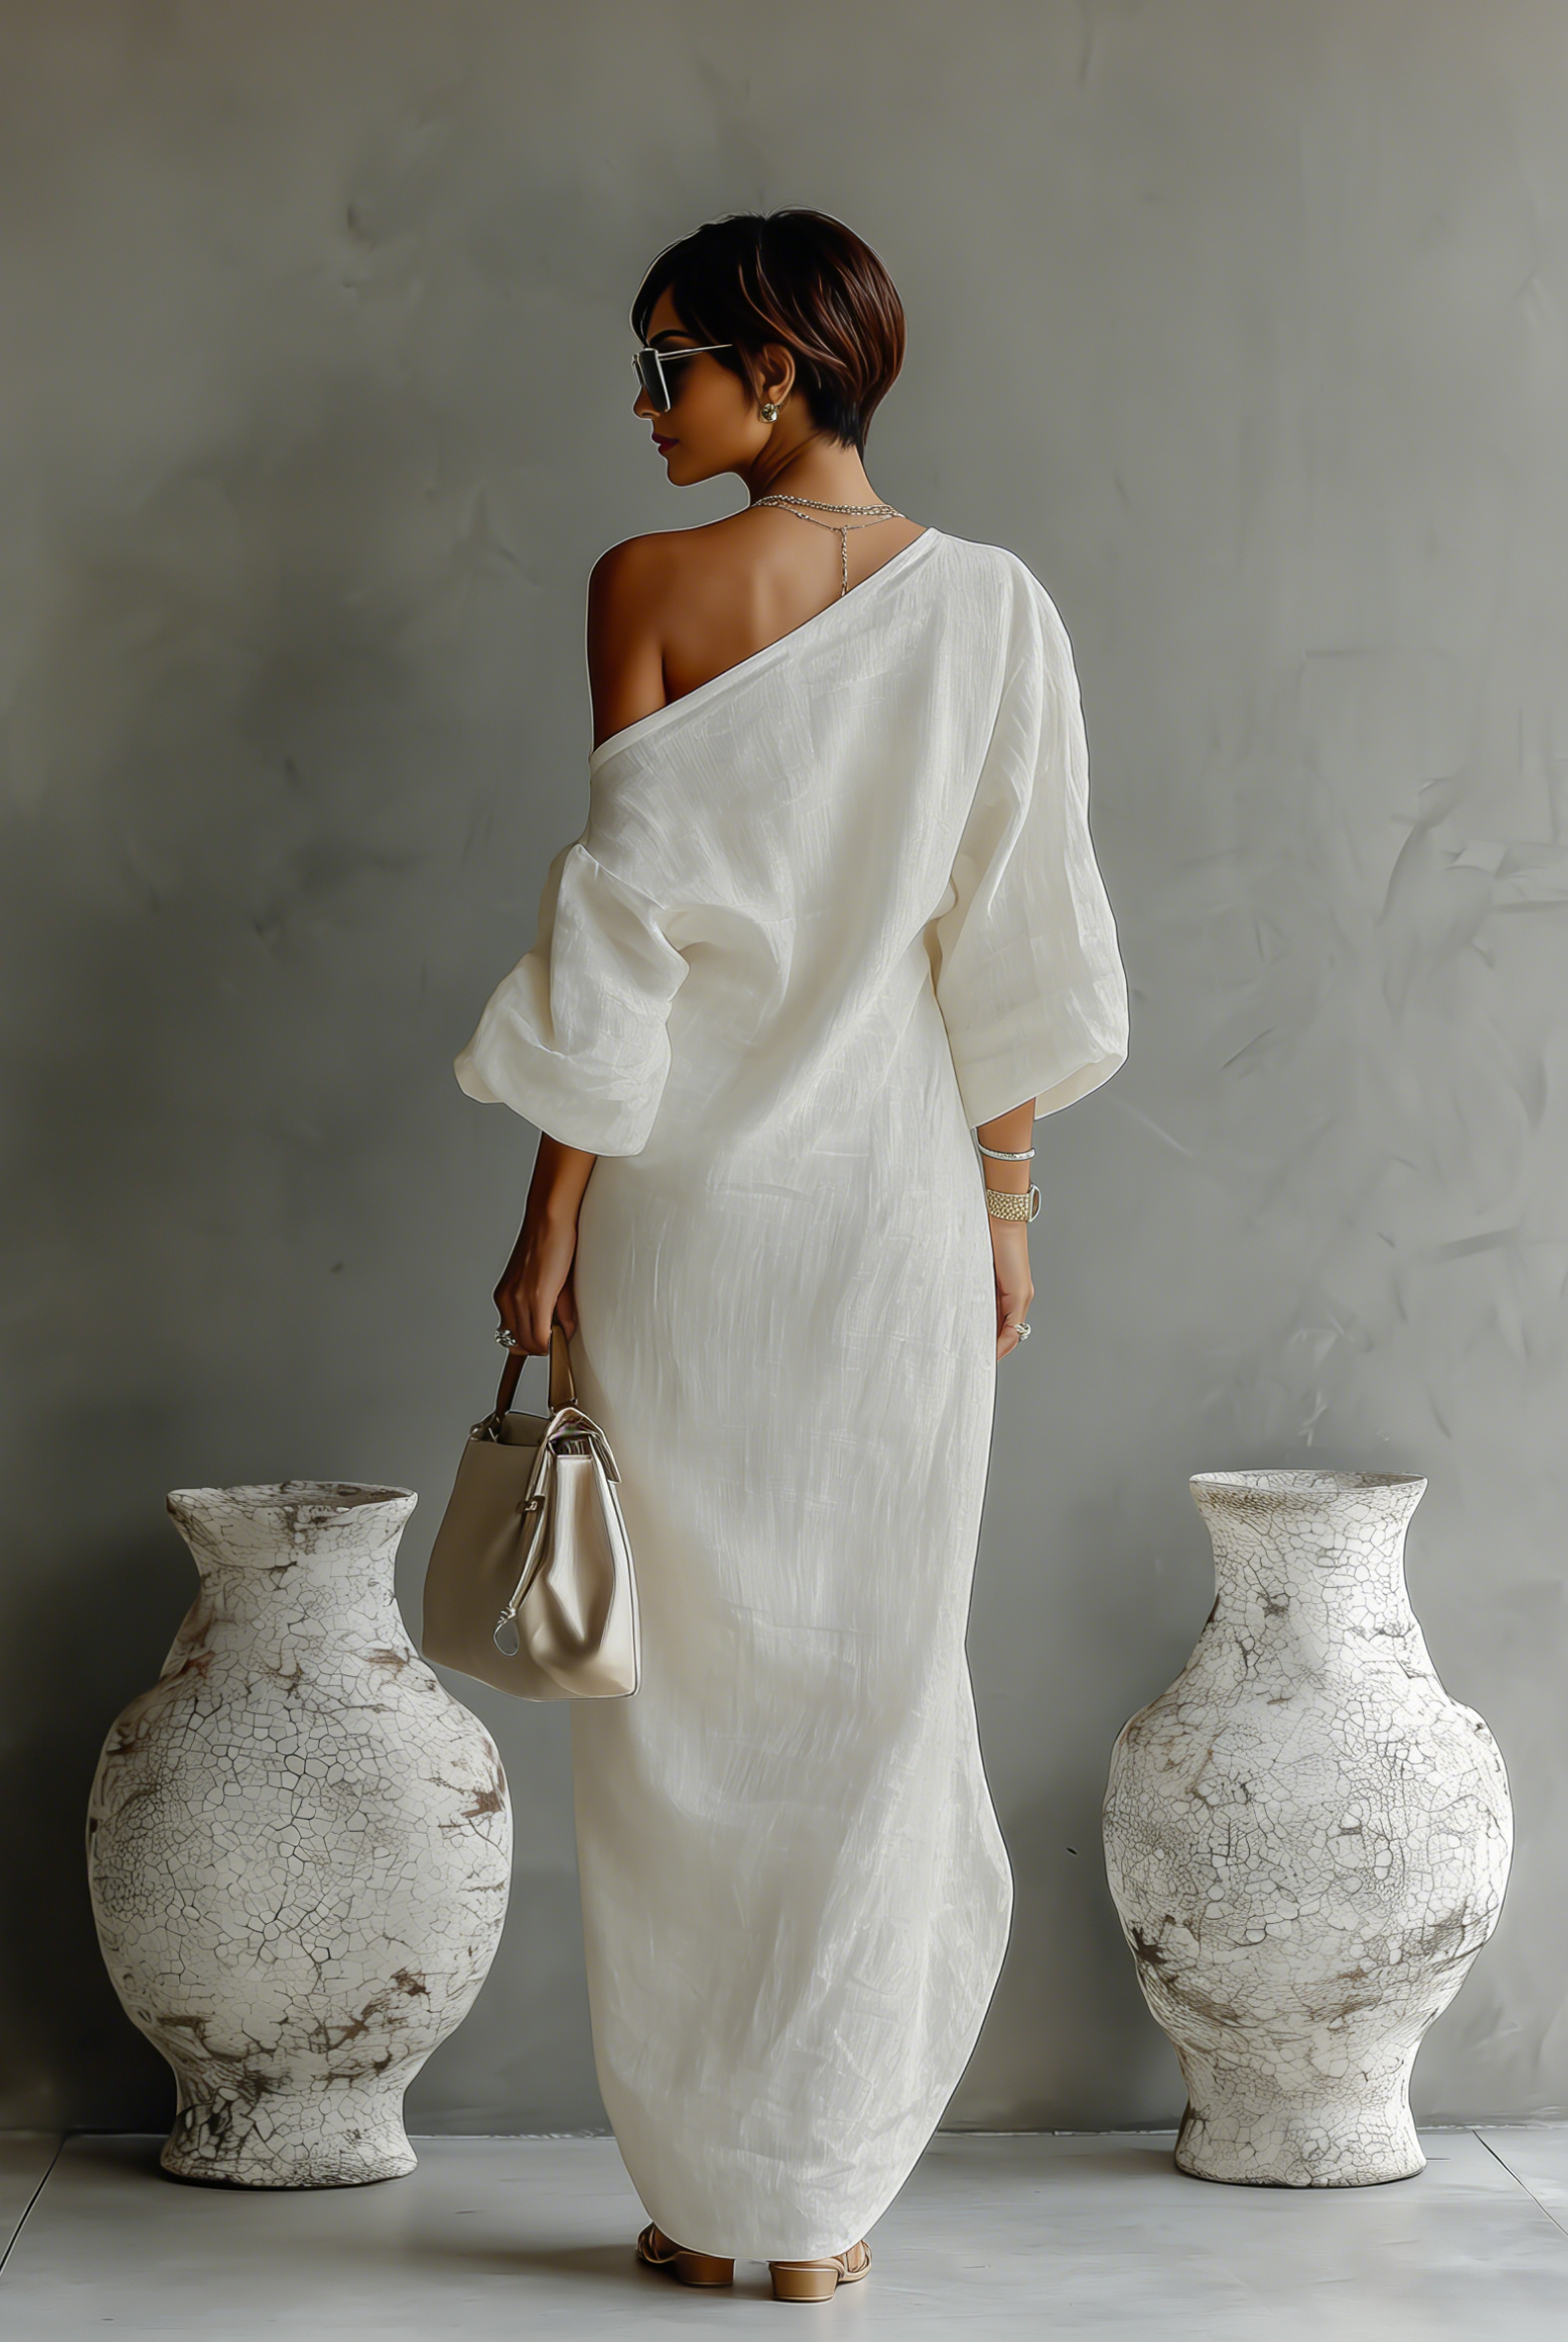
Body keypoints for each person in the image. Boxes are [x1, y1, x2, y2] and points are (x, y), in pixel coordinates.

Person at [453, 208, 1129, 2306]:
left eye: (671, 365)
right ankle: (812, 2207)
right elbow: (1011, 944)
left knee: (678, 1724)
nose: (643, 403)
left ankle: (710, 2194)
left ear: (780, 368)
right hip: (888, 1226)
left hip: (686, 1228)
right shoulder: (995, 613)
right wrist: (1004, 1212)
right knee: (864, 1696)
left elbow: (619, 947)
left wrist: (549, 1224)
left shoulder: (647, 591)